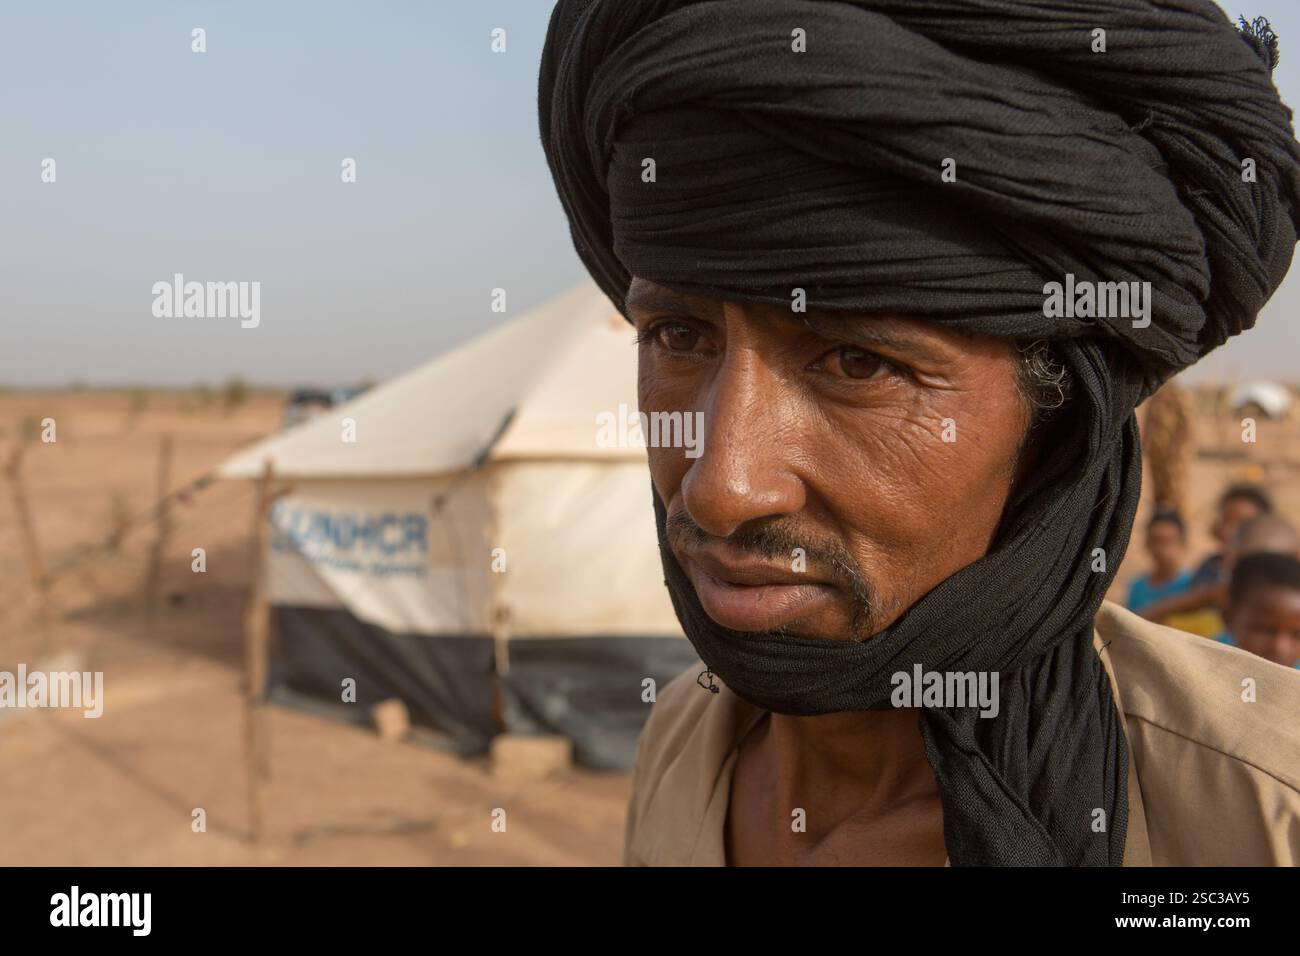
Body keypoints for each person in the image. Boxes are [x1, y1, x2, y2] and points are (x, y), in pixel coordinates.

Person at [539, 0, 1300, 865]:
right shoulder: (682, 743)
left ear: (1058, 419)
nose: (720, 485)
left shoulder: (1260, 814)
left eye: (858, 364)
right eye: (677, 337)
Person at [1137, 483, 1272, 633]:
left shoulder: (1268, 577)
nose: (1229, 531)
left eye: (1242, 524)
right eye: (1226, 520)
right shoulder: (1210, 567)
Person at [1220, 552, 1300, 669]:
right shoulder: (1199, 671)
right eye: (1267, 630)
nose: (1280, 648)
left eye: (1297, 635)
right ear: (1228, 617)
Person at [1124, 510, 1192, 616]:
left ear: (1183, 542)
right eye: (1156, 540)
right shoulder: (1137, 587)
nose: (1161, 548)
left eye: (1168, 541)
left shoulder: (1192, 584)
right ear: (1147, 543)